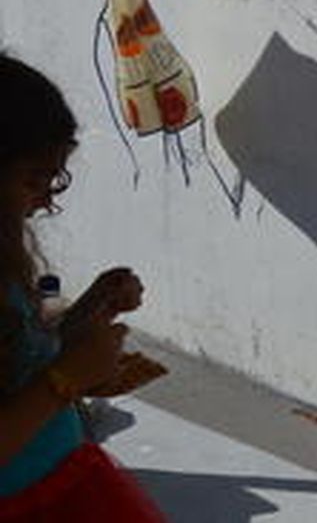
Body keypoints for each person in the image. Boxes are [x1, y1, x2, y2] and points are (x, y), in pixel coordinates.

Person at [0, 53, 163, 521]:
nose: (48, 200)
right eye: (34, 180)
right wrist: (65, 379)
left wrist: (90, 311)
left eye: (54, 181)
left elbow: (18, 365)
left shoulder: (5, 256)